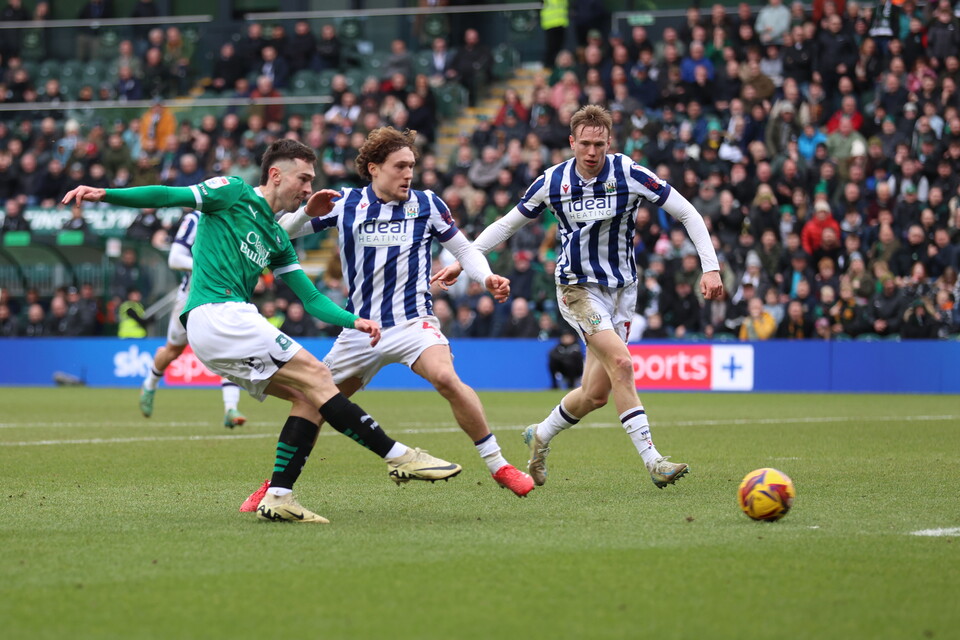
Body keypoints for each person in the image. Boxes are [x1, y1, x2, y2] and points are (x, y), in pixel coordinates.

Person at [63, 139, 462, 525]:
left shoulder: (276, 237)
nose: (308, 189)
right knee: (320, 377)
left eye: (311, 180)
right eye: (303, 179)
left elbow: (311, 299)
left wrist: (353, 321)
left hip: (216, 330)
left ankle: (279, 496)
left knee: (308, 396)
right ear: (275, 175)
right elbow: (168, 195)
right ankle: (399, 456)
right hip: (218, 312)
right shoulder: (233, 192)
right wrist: (105, 194)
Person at [433, 105, 724, 489]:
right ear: (572, 142)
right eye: (584, 143)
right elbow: (505, 225)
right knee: (622, 363)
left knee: (595, 394)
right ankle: (654, 461)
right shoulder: (552, 181)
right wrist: (464, 261)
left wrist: (710, 266)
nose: (591, 151)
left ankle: (540, 434)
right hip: (577, 289)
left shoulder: (629, 173)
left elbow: (687, 213)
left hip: (622, 292)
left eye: (599, 144)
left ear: (609, 143)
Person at [277, 127, 534, 497]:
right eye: (400, 166)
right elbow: (281, 234)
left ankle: (499, 466)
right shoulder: (346, 203)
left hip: (414, 322)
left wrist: (486, 277)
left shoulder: (426, 204)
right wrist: (304, 213)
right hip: (361, 329)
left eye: (412, 165)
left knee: (446, 377)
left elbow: (464, 250)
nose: (408, 174)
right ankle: (276, 488)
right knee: (312, 402)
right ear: (374, 168)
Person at [137, 210, 249, 429]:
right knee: (173, 351)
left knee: (230, 347)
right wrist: (209, 267)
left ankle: (230, 408)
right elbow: (175, 259)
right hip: (191, 295)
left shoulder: (237, 218)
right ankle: (150, 384)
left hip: (224, 295)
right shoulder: (195, 219)